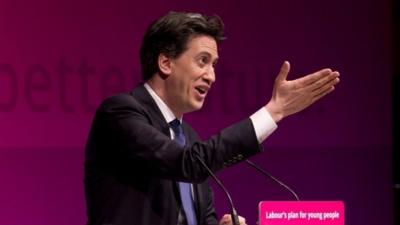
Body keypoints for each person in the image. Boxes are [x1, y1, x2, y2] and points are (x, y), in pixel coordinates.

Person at [84, 11, 340, 225]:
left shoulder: (189, 138)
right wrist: (274, 112)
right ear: (165, 63)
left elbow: (201, 215)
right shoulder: (119, 113)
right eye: (202, 61)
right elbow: (188, 164)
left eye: (214, 65)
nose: (211, 76)